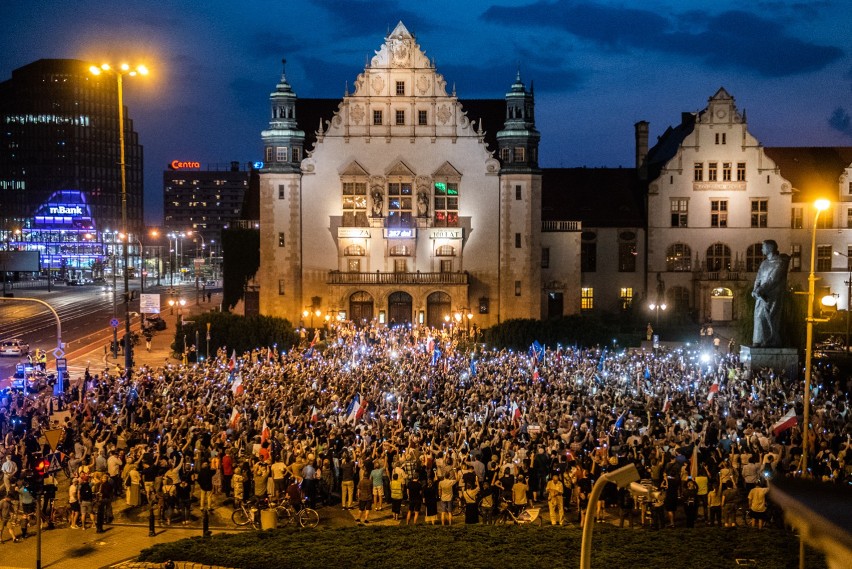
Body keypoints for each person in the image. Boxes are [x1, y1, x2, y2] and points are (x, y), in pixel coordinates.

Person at [751, 239, 791, 347]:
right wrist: (755, 289)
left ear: (769, 248)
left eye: (763, 247)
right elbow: (758, 278)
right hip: (761, 295)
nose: (761, 249)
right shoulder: (764, 263)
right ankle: (758, 339)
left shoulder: (780, 263)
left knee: (770, 317)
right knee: (758, 316)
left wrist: (761, 289)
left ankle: (770, 340)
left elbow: (773, 279)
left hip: (773, 296)